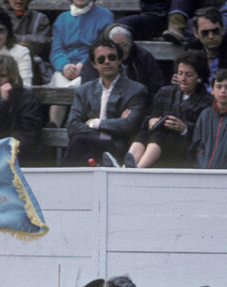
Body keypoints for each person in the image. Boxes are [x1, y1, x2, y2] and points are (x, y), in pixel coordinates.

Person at [62, 38, 148, 166]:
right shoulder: (83, 91)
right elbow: (73, 126)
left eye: (112, 57)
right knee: (85, 153)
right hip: (90, 144)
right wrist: (111, 126)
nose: (107, 62)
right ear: (94, 64)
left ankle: (61, 180)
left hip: (117, 147)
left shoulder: (136, 90)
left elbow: (128, 125)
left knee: (79, 141)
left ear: (119, 60)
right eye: (101, 59)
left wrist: (94, 122)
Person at [127, 52, 211, 168]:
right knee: (144, 133)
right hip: (156, 142)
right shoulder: (165, 92)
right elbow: (149, 115)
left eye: (189, 75)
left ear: (199, 77)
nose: (183, 79)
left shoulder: (207, 101)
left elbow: (205, 132)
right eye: (180, 73)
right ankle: (125, 168)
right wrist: (151, 121)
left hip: (182, 148)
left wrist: (184, 128)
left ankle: (138, 170)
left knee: (160, 135)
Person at [47, 0, 115, 128]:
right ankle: (54, 126)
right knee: (58, 82)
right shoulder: (62, 19)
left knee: (78, 86)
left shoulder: (105, 16)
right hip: (65, 68)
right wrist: (64, 66)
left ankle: (74, 125)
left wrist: (84, 65)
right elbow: (56, 50)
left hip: (91, 67)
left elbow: (103, 47)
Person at [0, 54, 43, 163]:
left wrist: (5, 149)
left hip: (19, 151)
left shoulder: (28, 99)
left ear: (12, 77)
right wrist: (3, 101)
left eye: (2, 76)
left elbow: (29, 136)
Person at [80, 25, 165, 99]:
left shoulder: (143, 56)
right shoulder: (99, 58)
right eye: (116, 45)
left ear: (131, 43)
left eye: (125, 45)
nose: (121, 50)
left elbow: (156, 85)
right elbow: (89, 89)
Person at [6, 0, 52, 82]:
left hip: (34, 69)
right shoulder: (1, 17)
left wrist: (14, 39)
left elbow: (43, 42)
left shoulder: (40, 18)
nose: (19, 0)